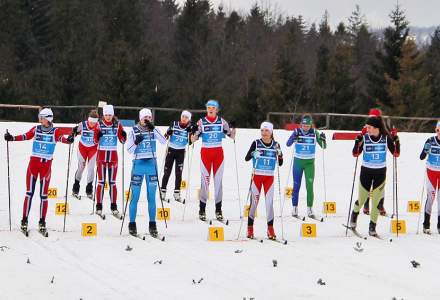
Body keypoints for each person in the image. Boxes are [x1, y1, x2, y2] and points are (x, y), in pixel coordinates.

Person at [4, 108, 73, 234]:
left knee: (43, 196)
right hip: (33, 166)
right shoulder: (36, 129)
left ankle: (42, 222)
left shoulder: (55, 131)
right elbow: (26, 136)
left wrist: (69, 140)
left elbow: (63, 139)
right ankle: (24, 220)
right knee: (29, 193)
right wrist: (11, 138)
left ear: (47, 118)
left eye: (41, 117)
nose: (39, 119)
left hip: (46, 168)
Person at [349, 116, 400, 236]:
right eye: (366, 127)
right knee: (362, 199)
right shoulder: (365, 138)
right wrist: (357, 141)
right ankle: (354, 215)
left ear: (376, 128)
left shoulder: (386, 138)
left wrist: (396, 139)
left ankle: (372, 227)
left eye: (369, 127)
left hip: (380, 172)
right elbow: (355, 154)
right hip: (366, 171)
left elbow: (396, 154)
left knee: (376, 202)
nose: (367, 130)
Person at [191, 99, 236, 221]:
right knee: (205, 183)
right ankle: (202, 209)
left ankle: (218, 210)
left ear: (217, 109)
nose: (210, 109)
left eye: (213, 107)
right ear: (206, 109)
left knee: (218, 184)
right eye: (208, 107)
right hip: (205, 154)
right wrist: (193, 132)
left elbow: (232, 137)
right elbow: (192, 140)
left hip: (218, 155)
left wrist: (233, 128)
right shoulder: (201, 122)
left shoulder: (222, 122)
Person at [126, 108, 166, 237]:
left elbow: (163, 141)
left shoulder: (154, 130)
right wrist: (137, 142)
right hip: (138, 165)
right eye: (145, 118)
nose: (147, 120)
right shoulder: (133, 130)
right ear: (140, 118)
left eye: (149, 117)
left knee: (151, 197)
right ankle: (132, 224)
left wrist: (153, 128)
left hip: (151, 165)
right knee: (135, 196)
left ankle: (152, 224)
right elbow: (129, 150)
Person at [244, 122, 283, 240]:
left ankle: (270, 229)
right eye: (262, 131)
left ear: (271, 132)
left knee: (269, 204)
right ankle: (250, 228)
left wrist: (280, 155)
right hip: (257, 177)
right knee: (254, 203)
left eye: (266, 131)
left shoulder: (276, 145)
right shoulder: (256, 143)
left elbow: (280, 163)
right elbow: (246, 158)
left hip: (269, 178)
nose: (264, 133)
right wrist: (253, 153)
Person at [286, 114, 326, 219]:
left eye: (307, 126)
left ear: (311, 125)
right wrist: (293, 138)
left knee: (309, 186)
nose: (305, 128)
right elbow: (288, 144)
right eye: (304, 125)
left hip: (309, 164)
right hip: (298, 163)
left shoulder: (314, 133)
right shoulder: (296, 131)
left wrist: (323, 139)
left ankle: (309, 208)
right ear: (301, 125)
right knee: (296, 186)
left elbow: (323, 146)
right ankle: (294, 208)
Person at [94, 104, 127, 217]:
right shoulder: (99, 124)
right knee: (101, 182)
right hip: (101, 157)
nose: (108, 117)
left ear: (113, 115)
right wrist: (97, 136)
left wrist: (124, 136)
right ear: (103, 115)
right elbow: (94, 141)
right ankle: (99, 206)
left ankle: (114, 206)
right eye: (106, 114)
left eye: (110, 114)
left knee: (112, 183)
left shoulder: (117, 125)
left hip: (113, 157)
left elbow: (122, 141)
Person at [160, 110, 195, 202]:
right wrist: (168, 132)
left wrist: (191, 132)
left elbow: (190, 142)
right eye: (183, 116)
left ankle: (177, 194)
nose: (184, 119)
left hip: (181, 152)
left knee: (178, 173)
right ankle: (163, 192)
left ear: (189, 119)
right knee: (167, 172)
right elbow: (165, 136)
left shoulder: (189, 127)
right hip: (171, 151)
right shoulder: (174, 124)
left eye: (186, 117)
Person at [362, 108, 387, 216]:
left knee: (380, 187)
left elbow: (388, 138)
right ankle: (366, 205)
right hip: (368, 162)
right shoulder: (367, 128)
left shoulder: (382, 129)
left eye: (375, 118)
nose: (372, 120)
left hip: (380, 163)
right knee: (367, 185)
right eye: (371, 118)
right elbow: (360, 140)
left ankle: (380, 205)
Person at [71, 109, 99, 199]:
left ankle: (89, 189)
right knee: (81, 167)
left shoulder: (98, 126)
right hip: (82, 148)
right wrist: (74, 133)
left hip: (93, 149)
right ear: (88, 120)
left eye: (93, 123)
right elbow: (74, 132)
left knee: (91, 168)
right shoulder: (83, 124)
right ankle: (76, 187)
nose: (91, 124)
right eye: (90, 122)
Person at [420, 121, 440, 234]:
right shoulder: (430, 141)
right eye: (438, 130)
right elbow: (421, 157)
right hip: (431, 172)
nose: (439, 133)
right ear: (436, 130)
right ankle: (426, 225)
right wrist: (426, 150)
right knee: (431, 197)